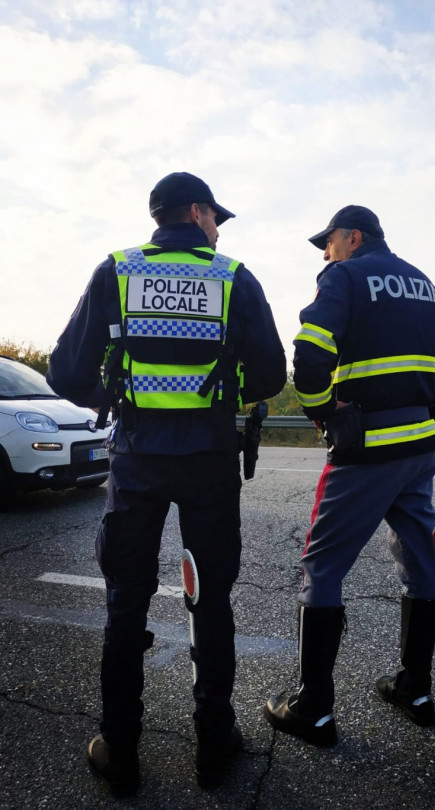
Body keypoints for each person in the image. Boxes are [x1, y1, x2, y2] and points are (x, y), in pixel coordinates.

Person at [47, 172, 286, 794]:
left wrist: (117, 394)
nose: (218, 231)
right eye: (216, 219)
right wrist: (219, 387)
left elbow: (65, 370)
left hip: (137, 459)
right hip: (209, 460)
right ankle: (214, 745)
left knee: (126, 599)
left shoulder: (117, 271)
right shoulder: (233, 277)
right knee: (211, 601)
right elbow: (269, 376)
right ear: (197, 212)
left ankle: (120, 750)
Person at [264, 205, 435, 746]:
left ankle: (313, 709)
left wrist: (323, 411)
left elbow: (311, 350)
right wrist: (427, 395)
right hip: (418, 447)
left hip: (366, 450)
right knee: (419, 560)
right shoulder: (420, 281)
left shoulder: (344, 276)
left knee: (322, 566)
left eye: (329, 241)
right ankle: (416, 690)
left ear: (354, 237)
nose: (325, 252)